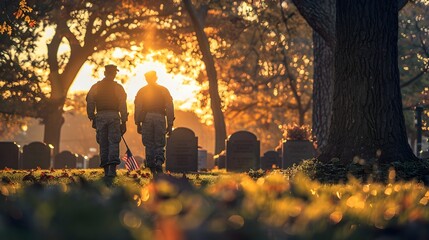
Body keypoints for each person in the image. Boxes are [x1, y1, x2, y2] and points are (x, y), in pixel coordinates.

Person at [86, 64, 128, 177]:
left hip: (100, 116)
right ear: (114, 74)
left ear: (105, 73)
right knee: (114, 142)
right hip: (114, 116)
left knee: (103, 142)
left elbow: (90, 101)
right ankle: (112, 170)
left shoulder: (96, 87)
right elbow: (122, 105)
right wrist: (124, 121)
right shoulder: (118, 87)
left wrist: (92, 117)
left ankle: (105, 169)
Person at [134, 70, 174, 174]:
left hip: (147, 118)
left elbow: (138, 107)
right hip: (160, 117)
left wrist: (138, 123)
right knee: (159, 143)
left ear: (146, 79)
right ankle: (159, 162)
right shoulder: (163, 90)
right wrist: (170, 124)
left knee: (149, 143)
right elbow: (170, 107)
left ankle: (150, 165)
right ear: (156, 78)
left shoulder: (142, 91)